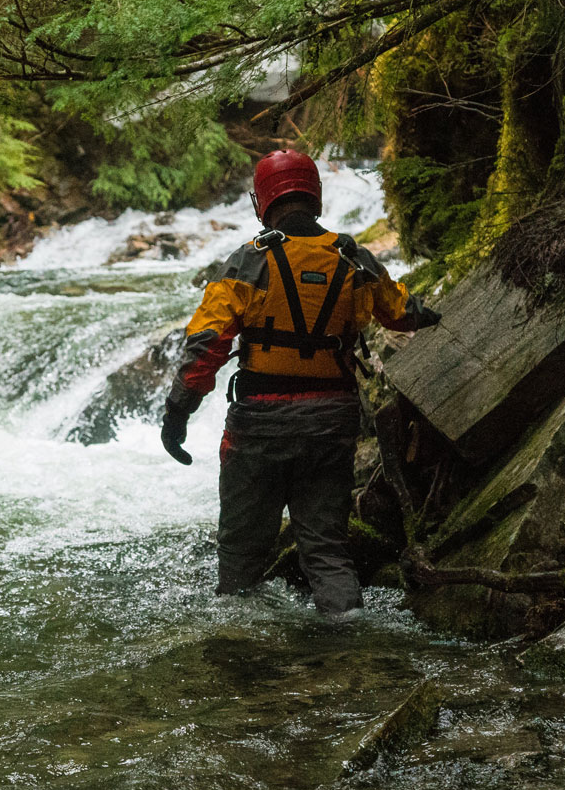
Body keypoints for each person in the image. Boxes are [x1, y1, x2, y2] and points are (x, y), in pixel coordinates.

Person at [160, 150, 440, 614]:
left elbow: (204, 345)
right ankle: (347, 640)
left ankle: (239, 647)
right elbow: (403, 312)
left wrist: (177, 413)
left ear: (262, 201)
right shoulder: (356, 259)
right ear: (315, 195)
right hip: (331, 422)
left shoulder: (248, 262)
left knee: (241, 555)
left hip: (258, 426)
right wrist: (434, 313)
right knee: (327, 550)